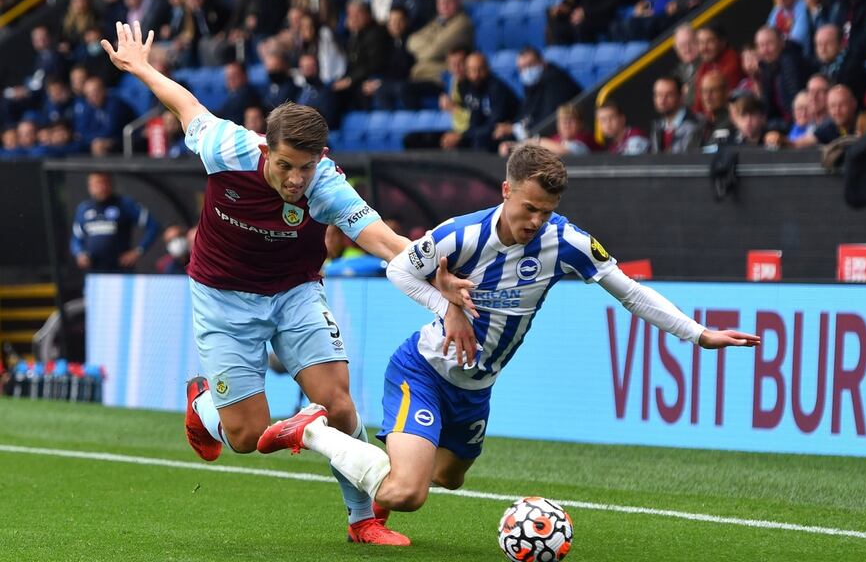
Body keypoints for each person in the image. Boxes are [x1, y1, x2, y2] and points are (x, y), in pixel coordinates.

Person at [257, 143, 761, 529]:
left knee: (449, 478)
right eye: (529, 208)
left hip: (477, 388)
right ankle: (312, 431)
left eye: (546, 211)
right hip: (425, 370)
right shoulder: (460, 234)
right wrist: (446, 305)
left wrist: (699, 334)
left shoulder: (567, 243)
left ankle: (400, 453)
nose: (536, 221)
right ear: (506, 191)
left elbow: (630, 292)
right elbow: (398, 271)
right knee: (407, 495)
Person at [99, 20, 438, 545]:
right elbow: (184, 104)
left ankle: (362, 519)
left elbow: (386, 241)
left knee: (341, 404)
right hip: (221, 297)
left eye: (305, 167)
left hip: (294, 294)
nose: (295, 179)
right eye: (285, 166)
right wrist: (142, 67)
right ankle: (203, 405)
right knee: (246, 436)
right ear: (265, 151)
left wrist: (438, 278)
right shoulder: (226, 146)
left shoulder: (325, 186)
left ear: (320, 160)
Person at [70, 171, 161, 273]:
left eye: (103, 182)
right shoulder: (83, 209)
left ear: (110, 184)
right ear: (89, 187)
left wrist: (138, 251)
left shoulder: (125, 204)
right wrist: (79, 253)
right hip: (94, 270)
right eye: (95, 184)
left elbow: (153, 226)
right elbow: (76, 239)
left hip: (120, 270)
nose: (100, 187)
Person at [649, 76, 704, 153]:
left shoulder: (696, 123)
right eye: (658, 95)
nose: (662, 100)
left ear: (680, 96)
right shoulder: (657, 127)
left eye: (669, 95)